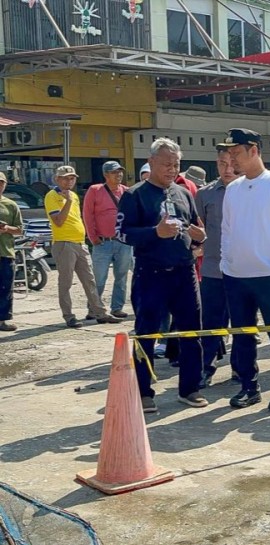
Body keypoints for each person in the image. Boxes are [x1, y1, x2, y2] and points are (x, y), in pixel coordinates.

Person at [117, 138, 208, 413]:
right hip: (151, 274)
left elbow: (196, 228)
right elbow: (121, 233)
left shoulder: (183, 193)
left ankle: (190, 388)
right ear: (152, 162)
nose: (171, 169)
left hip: (184, 272)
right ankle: (144, 392)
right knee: (147, 334)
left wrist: (199, 237)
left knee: (192, 331)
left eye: (176, 164)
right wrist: (153, 233)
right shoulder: (135, 195)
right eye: (167, 164)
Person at [220, 128, 270, 413]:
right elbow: (227, 230)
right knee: (242, 336)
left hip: (268, 275)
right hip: (236, 275)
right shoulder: (233, 189)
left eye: (237, 153)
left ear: (254, 151)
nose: (232, 161)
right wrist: (225, 262)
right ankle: (249, 387)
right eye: (229, 155)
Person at [46, 166, 121, 328]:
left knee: (89, 280)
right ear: (57, 179)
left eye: (72, 178)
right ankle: (69, 315)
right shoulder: (51, 196)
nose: (69, 181)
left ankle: (99, 312)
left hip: (79, 242)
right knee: (65, 282)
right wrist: (68, 202)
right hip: (63, 243)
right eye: (65, 178)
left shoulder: (73, 195)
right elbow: (58, 221)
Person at [195, 146, 239, 388]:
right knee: (211, 323)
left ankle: (240, 369)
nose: (228, 168)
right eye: (222, 163)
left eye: (232, 162)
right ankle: (206, 368)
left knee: (243, 324)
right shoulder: (205, 194)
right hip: (213, 269)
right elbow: (199, 228)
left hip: (244, 270)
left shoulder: (251, 191)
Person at [83, 160, 133, 319]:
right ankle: (94, 308)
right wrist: (93, 237)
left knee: (122, 276)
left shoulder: (126, 191)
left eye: (120, 171)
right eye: (114, 172)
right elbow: (87, 215)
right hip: (103, 241)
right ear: (105, 175)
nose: (118, 174)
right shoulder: (95, 190)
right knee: (99, 278)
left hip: (123, 242)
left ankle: (117, 308)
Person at [0, 172, 23, 332]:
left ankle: (3, 320)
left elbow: (20, 230)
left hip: (5, 252)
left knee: (5, 288)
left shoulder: (11, 205)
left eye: (1, 183)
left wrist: (6, 228)